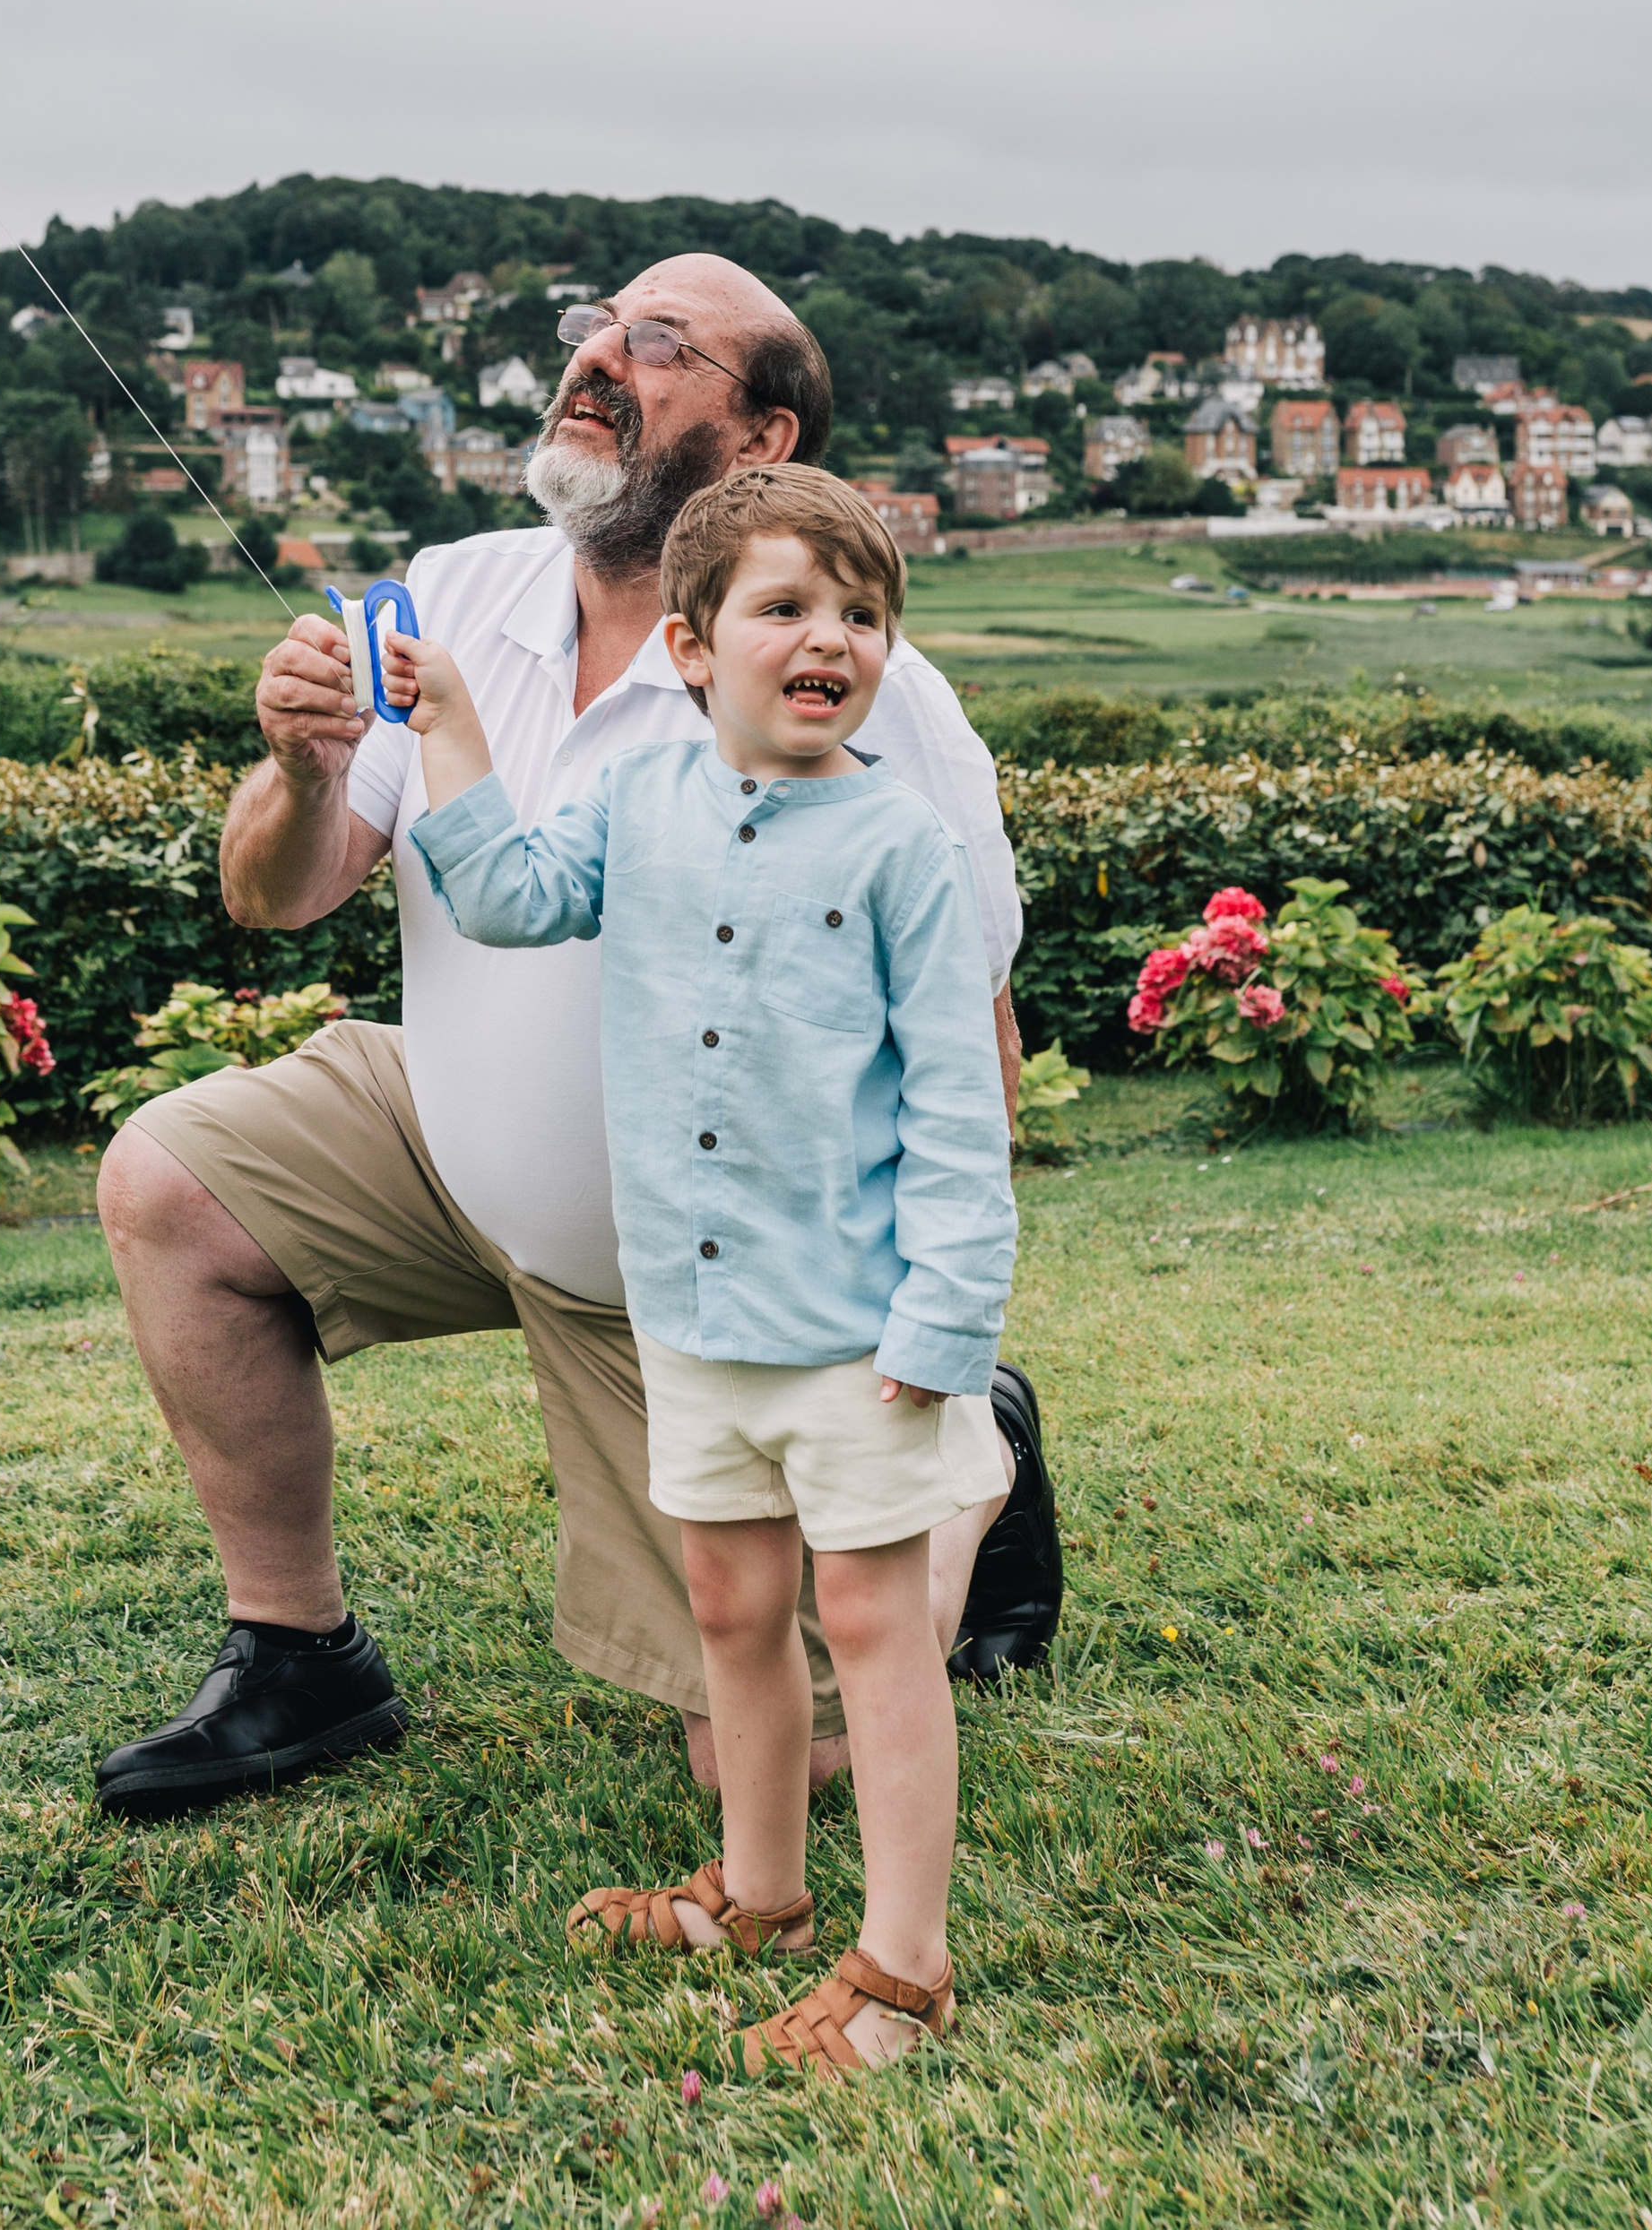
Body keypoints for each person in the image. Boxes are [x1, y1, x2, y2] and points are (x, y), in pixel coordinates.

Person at [91, 256, 1060, 1820]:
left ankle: (978, 1464)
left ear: (764, 441)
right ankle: (299, 1654)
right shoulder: (449, 590)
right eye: (594, 329)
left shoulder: (869, 695)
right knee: (170, 1184)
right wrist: (300, 767)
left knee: (786, 1762)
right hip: (452, 1147)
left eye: (659, 343)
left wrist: (921, 1340)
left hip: (708, 1282)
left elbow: (968, 1024)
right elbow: (277, 896)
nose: (601, 357)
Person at [394, 466, 1013, 2075]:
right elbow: (508, 894)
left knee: (871, 1632)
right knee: (734, 1604)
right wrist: (448, 720)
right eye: (788, 608)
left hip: (856, 1335)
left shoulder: (902, 846)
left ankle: (903, 1969)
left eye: (863, 615)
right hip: (691, 1317)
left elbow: (959, 1107)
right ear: (690, 645)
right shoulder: (638, 800)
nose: (833, 640)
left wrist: (945, 1322)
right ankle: (758, 1899)